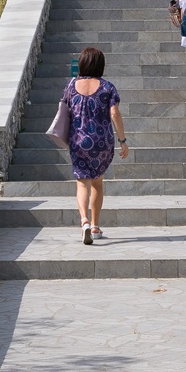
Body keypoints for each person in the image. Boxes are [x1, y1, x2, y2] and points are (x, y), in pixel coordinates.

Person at [57, 46, 128, 243]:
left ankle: (84, 221)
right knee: (97, 182)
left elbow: (65, 109)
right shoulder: (107, 87)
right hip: (102, 142)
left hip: (78, 141)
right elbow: (115, 114)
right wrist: (123, 140)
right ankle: (96, 226)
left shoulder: (71, 86)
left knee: (82, 182)